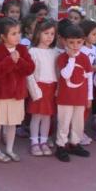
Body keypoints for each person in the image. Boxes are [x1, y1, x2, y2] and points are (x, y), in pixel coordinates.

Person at [0, 18, 35, 163]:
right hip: (1, 94)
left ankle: (9, 149)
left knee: (12, 123)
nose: (18, 36)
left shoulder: (22, 49)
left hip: (17, 94)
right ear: (3, 36)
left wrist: (19, 60)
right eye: (13, 33)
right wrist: (10, 61)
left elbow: (30, 68)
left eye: (19, 33)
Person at [54, 24, 92, 162]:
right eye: (71, 42)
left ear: (83, 41)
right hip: (65, 98)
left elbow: (89, 78)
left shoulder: (85, 58)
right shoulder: (62, 58)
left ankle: (74, 143)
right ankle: (61, 145)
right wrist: (71, 59)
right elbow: (65, 74)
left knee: (78, 123)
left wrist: (89, 97)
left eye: (79, 42)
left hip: (80, 97)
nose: (75, 46)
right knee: (64, 123)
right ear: (64, 41)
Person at [27, 19, 59, 157]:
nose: (49, 37)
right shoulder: (33, 51)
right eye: (46, 33)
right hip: (38, 88)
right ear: (38, 33)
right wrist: (34, 90)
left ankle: (44, 141)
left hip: (51, 87)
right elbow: (29, 74)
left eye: (52, 34)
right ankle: (34, 142)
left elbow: (57, 72)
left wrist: (58, 88)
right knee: (37, 116)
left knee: (47, 116)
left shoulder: (55, 52)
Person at [79, 19, 96, 145]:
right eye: (93, 34)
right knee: (80, 108)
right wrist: (93, 68)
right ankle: (76, 131)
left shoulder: (94, 49)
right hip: (81, 83)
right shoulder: (81, 49)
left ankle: (80, 130)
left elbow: (94, 63)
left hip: (90, 83)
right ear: (84, 34)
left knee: (87, 108)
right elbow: (81, 67)